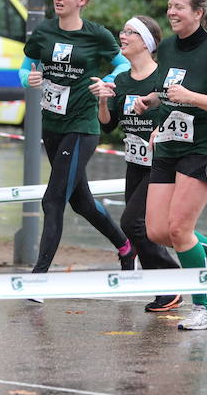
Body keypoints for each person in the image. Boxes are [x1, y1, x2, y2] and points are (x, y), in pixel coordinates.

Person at [134, 0, 207, 330]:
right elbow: (170, 90)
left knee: (181, 229)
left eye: (180, 7)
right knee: (156, 230)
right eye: (169, 6)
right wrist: (154, 101)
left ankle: (205, 309)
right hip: (171, 141)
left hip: (205, 144)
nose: (172, 12)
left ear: (199, 13)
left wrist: (193, 97)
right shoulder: (167, 48)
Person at [20, 0, 135, 279]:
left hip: (83, 126)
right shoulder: (43, 32)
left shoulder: (97, 35)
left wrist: (106, 83)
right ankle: (125, 247)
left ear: (81, 0)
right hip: (53, 124)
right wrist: (28, 79)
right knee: (81, 202)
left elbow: (123, 65)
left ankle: (39, 276)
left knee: (53, 199)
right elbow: (26, 67)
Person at [88, 15, 183, 313]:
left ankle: (172, 279)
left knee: (133, 222)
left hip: (163, 162)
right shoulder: (121, 79)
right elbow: (108, 125)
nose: (123, 36)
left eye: (130, 32)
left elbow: (180, 111)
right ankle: (166, 288)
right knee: (146, 228)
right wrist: (103, 101)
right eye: (123, 31)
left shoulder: (163, 77)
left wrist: (161, 128)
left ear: (146, 41)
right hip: (135, 161)